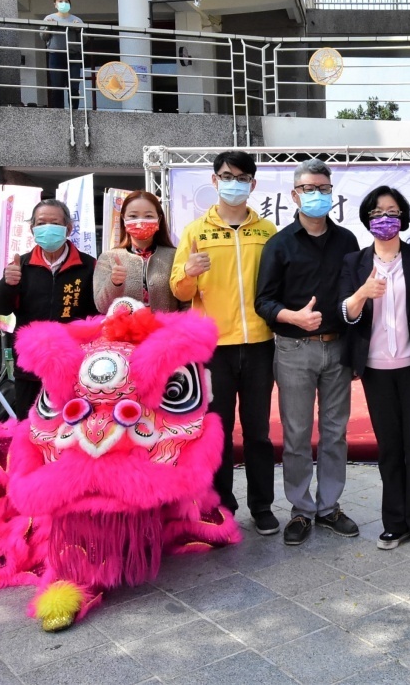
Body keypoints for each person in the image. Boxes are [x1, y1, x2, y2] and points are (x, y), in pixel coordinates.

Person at [170, 151, 278, 533]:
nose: (234, 182)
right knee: (217, 430)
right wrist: (188, 270)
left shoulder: (268, 232)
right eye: (227, 176)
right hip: (213, 347)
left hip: (261, 343)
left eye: (242, 177)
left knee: (258, 431)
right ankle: (222, 505)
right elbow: (179, 290)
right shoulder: (196, 231)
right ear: (215, 181)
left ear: (253, 184)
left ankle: (262, 505)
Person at [255, 159, 362, 546]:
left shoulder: (348, 241)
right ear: (294, 194)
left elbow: (355, 298)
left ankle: (329, 506)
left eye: (323, 188)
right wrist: (293, 318)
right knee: (297, 434)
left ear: (332, 193)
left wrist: (355, 351)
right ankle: (301, 510)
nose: (317, 195)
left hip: (336, 350)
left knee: (336, 433)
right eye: (309, 189)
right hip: (294, 349)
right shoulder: (279, 244)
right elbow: (263, 301)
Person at [341, 186, 410, 556]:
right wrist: (361, 294)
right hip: (375, 369)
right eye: (376, 212)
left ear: (402, 217)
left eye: (391, 211)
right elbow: (347, 316)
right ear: (367, 218)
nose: (384, 218)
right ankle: (394, 524)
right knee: (389, 448)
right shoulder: (354, 263)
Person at [0, 199, 98, 417]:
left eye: (54, 222)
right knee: (29, 425)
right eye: (41, 222)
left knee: (73, 424)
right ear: (32, 229)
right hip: (31, 366)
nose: (47, 227)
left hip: (75, 365)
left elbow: (98, 312)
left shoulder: (88, 265)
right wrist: (7, 284)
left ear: (68, 228)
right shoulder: (21, 266)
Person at [93, 190, 180, 313]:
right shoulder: (108, 258)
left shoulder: (175, 256)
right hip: (125, 331)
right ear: (123, 219)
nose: (140, 222)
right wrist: (114, 283)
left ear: (159, 219)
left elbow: (186, 302)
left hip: (168, 330)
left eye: (148, 216)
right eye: (133, 216)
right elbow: (101, 307)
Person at [41, 0, 85, 108]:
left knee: (74, 87)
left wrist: (78, 30)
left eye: (66, 1)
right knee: (57, 87)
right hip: (56, 55)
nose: (63, 3)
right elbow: (43, 37)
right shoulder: (49, 18)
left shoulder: (77, 20)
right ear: (55, 4)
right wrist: (48, 27)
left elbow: (85, 39)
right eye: (60, 1)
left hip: (73, 55)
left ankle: (74, 112)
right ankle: (58, 113)